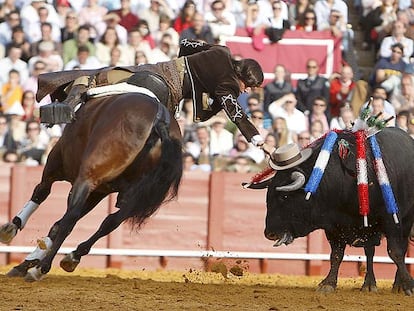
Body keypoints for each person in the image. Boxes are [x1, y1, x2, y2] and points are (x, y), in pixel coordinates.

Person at [37, 39, 274, 155]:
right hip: (167, 94)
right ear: (243, 77)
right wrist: (257, 139)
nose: (246, 91)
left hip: (153, 71)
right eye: (249, 86)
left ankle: (69, 102)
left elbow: (186, 44)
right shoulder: (229, 85)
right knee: (163, 146)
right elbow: (237, 114)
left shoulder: (222, 50)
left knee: (97, 76)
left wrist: (191, 69)